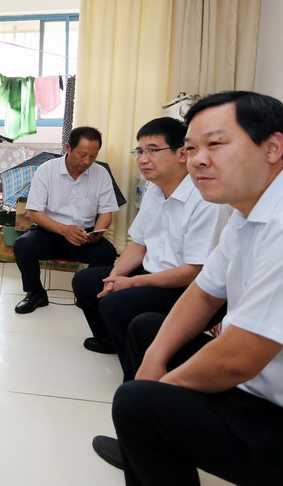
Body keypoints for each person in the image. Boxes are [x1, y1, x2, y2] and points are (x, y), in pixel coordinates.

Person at [110, 92, 283, 486]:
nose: (197, 160)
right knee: (148, 332)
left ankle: (147, 433)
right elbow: (204, 292)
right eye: (191, 148)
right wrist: (155, 361)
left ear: (272, 147)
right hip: (272, 386)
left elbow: (237, 360)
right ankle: (146, 443)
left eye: (215, 144)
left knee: (139, 405)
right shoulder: (249, 209)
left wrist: (157, 391)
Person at [72, 117, 227, 361]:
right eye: (140, 151)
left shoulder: (205, 199)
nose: (143, 159)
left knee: (116, 304)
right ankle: (112, 339)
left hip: (189, 288)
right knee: (86, 281)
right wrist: (115, 277)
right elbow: (138, 244)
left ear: (182, 153)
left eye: (152, 150)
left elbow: (193, 271)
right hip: (153, 273)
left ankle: (138, 366)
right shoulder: (154, 190)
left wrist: (133, 283)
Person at [13, 126, 119, 314]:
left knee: (107, 253)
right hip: (50, 231)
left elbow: (106, 212)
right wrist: (64, 230)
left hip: (85, 235)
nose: (87, 161)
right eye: (82, 155)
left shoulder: (101, 174)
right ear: (68, 148)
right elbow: (34, 212)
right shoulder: (46, 171)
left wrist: (98, 232)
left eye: (93, 156)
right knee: (23, 245)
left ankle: (88, 295)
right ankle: (35, 292)